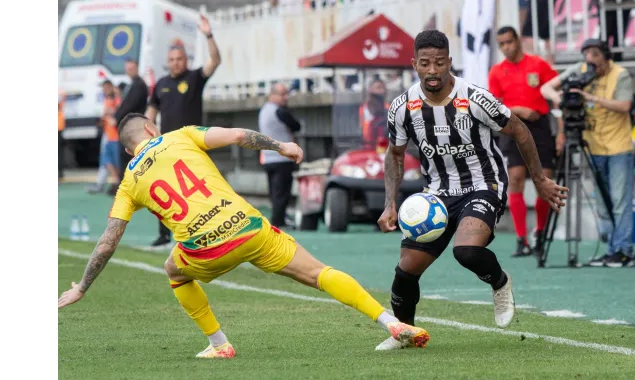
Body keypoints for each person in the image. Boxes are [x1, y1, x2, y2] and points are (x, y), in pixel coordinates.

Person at [57, 114, 431, 357]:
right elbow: (238, 135)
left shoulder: (127, 182)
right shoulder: (182, 135)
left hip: (203, 252)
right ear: (152, 129)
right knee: (318, 273)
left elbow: (109, 239)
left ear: (127, 149)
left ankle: (219, 344)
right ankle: (391, 322)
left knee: (173, 269)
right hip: (248, 228)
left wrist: (82, 288)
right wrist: (281, 146)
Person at [376, 30, 568, 350]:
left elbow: (519, 130)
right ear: (415, 65)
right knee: (405, 271)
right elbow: (394, 155)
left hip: (483, 184)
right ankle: (404, 333)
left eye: (440, 62)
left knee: (466, 250)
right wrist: (389, 204)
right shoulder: (402, 107)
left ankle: (500, 282)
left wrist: (539, 178)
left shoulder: (476, 98)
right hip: (436, 193)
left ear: (450, 62)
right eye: (425, 63)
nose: (433, 70)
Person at [541, 38, 635, 267]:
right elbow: (545, 88)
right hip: (592, 146)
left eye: (595, 55)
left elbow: (625, 106)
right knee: (603, 203)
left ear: (606, 56)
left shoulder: (620, 74)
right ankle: (612, 248)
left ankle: (624, 251)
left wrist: (590, 98)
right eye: (587, 55)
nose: (590, 60)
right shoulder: (580, 70)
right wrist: (560, 99)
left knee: (619, 201)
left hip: (618, 147)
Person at [145, 14, 221, 248]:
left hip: (193, 145)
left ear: (186, 60)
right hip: (167, 146)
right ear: (167, 62)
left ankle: (204, 231)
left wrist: (208, 34)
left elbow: (215, 61)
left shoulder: (195, 78)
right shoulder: (161, 84)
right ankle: (163, 233)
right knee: (164, 190)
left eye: (180, 59)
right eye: (172, 59)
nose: (176, 62)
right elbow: (150, 113)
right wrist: (149, 137)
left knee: (199, 188)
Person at [488, 26, 561, 257]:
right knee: (516, 178)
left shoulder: (538, 65)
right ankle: (521, 239)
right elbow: (492, 106)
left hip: (540, 127)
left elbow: (557, 93)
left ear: (518, 41)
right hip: (511, 127)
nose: (506, 47)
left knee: (544, 181)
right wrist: (519, 109)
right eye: (502, 44)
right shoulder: (497, 72)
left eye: (509, 42)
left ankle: (539, 233)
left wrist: (561, 132)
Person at [258, 84, 302, 229]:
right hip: (282, 158)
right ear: (272, 95)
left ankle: (277, 219)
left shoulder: (264, 110)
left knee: (274, 192)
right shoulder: (279, 111)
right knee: (282, 193)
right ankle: (278, 222)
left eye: (286, 94)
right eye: (282, 95)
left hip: (267, 157)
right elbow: (296, 126)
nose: (285, 98)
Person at [115, 59, 150, 172]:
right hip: (128, 126)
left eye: (131, 69)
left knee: (129, 158)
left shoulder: (139, 85)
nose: (129, 71)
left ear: (137, 69)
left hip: (132, 127)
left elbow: (129, 106)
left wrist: (116, 117)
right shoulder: (133, 84)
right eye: (128, 69)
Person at [100, 80, 122, 196]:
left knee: (116, 162)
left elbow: (119, 112)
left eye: (107, 87)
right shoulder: (107, 99)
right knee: (107, 160)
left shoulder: (116, 99)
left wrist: (110, 112)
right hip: (109, 135)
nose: (105, 90)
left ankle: (118, 183)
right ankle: (115, 181)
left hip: (116, 136)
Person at [359, 79, 390, 147]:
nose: (382, 91)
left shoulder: (388, 107)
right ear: (371, 89)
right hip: (368, 145)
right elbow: (362, 127)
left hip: (384, 144)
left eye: (383, 88)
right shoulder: (364, 108)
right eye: (378, 88)